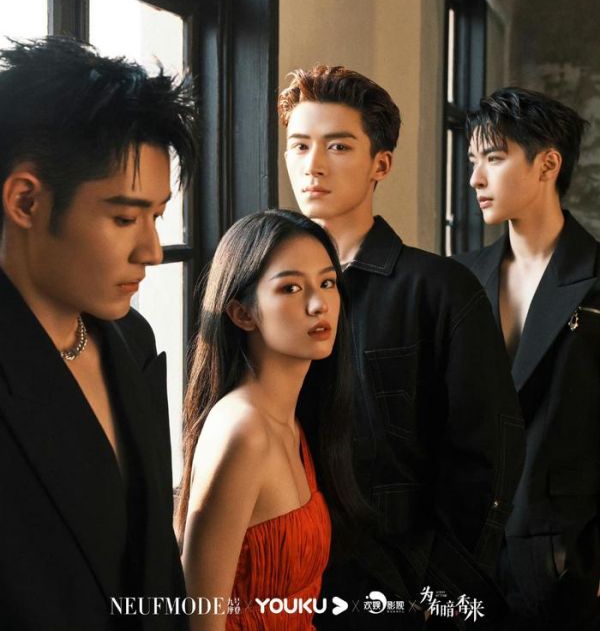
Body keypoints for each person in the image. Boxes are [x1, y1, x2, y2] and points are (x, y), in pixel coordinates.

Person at [278, 65, 525, 628]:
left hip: (401, 592)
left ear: (381, 164)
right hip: (288, 580)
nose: (313, 165)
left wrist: (437, 591)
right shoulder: (261, 287)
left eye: (338, 146)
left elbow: (489, 455)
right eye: (300, 145)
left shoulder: (439, 289)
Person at [0, 37, 197, 630]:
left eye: (156, 216)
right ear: (26, 201)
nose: (152, 250)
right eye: (124, 217)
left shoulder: (132, 339)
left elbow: (156, 563)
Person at [178, 209, 370, 630]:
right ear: (242, 313)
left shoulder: (292, 423)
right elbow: (201, 620)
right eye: (291, 288)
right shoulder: (242, 431)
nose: (319, 304)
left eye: (327, 283)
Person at [455, 87, 600, 631]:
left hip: (566, 562)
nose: (475, 179)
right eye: (473, 161)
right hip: (466, 558)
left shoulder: (596, 279)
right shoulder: (460, 278)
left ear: (547, 165)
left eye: (493, 158)